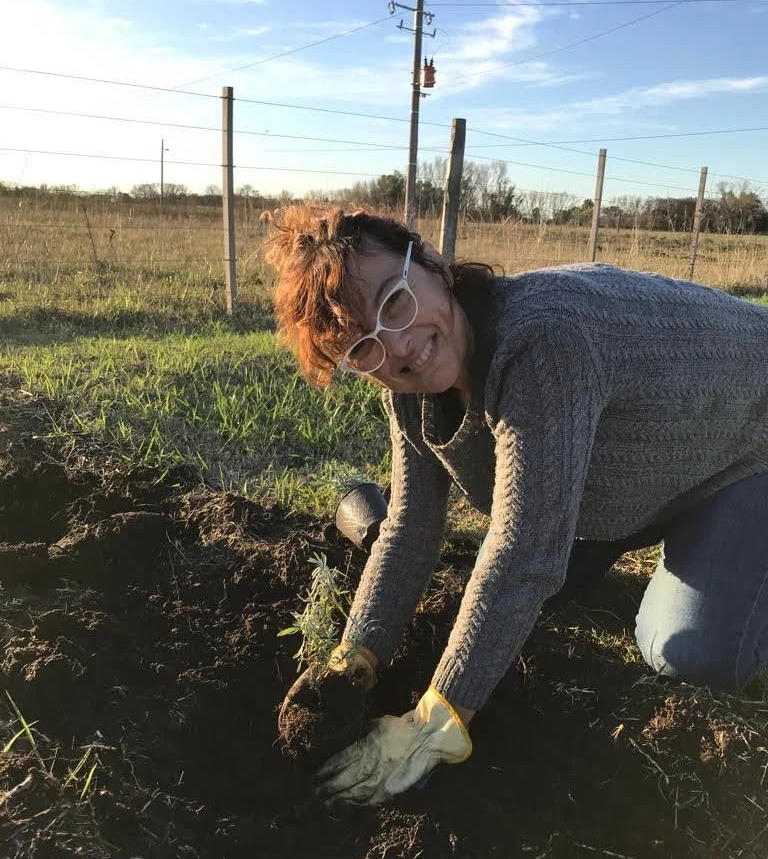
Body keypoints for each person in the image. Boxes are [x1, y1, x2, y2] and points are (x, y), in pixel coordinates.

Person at [266, 204, 768, 808]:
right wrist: (355, 656)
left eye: (395, 302)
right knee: (526, 597)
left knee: (688, 653)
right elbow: (408, 526)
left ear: (430, 264)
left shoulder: (542, 341)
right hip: (649, 467)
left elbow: (524, 550)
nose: (399, 347)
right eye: (363, 348)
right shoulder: (408, 388)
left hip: (747, 446)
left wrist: (434, 724)